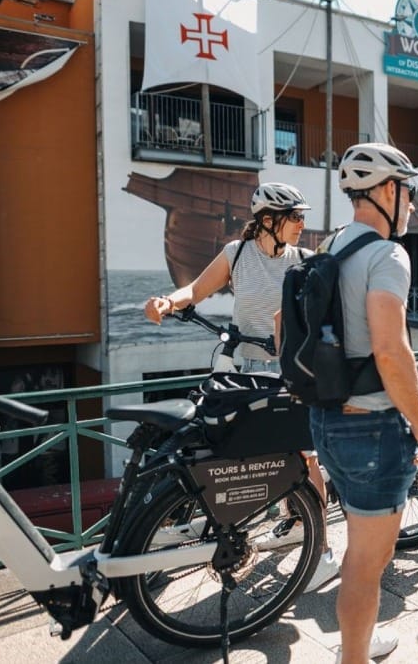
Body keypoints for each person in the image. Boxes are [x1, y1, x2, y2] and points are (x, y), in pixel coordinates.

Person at [143, 182, 341, 592]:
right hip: (243, 371)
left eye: (303, 216)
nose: (303, 224)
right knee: (230, 453)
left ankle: (321, 552)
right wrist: (167, 302)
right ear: (268, 221)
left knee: (304, 460)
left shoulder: (303, 260)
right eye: (296, 217)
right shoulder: (237, 254)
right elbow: (195, 291)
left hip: (288, 373)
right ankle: (183, 538)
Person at [316, 142, 418, 664]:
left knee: (360, 549)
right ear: (389, 190)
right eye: (408, 193)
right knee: (369, 560)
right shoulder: (387, 254)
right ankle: (354, 659)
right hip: (371, 425)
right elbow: (391, 351)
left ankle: (359, 644)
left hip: (327, 419)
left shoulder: (330, 245)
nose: (410, 205)